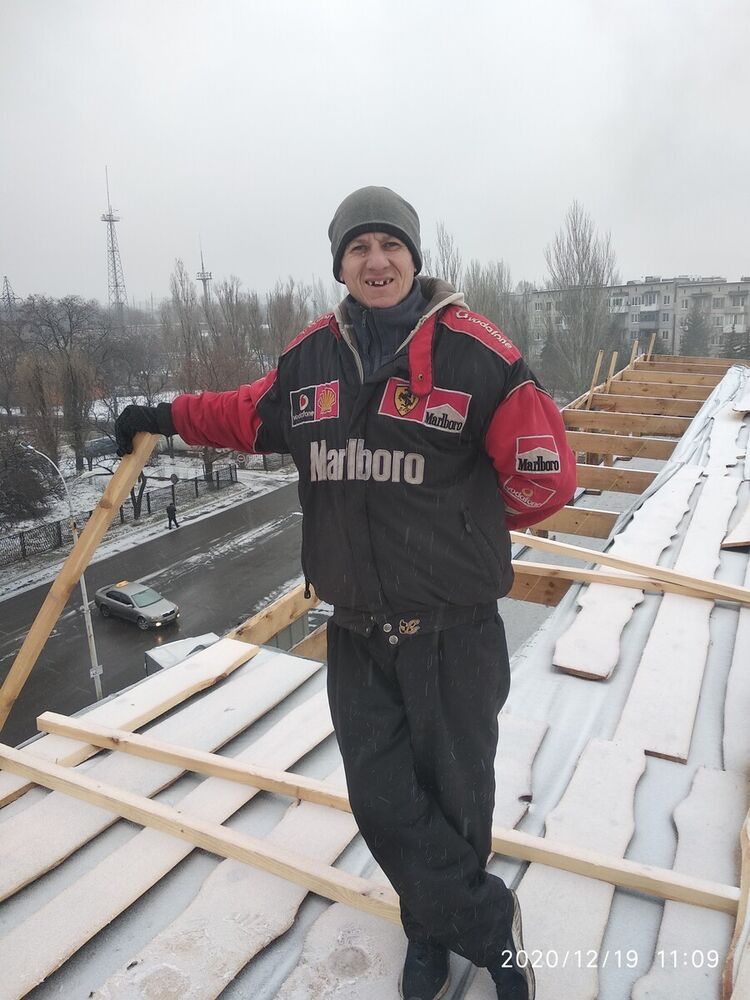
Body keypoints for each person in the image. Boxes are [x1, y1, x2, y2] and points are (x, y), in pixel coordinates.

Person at [115, 186, 576, 1000]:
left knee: (458, 797)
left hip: (454, 629)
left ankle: (430, 933)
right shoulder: (310, 361)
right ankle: (486, 922)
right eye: (358, 247)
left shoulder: (481, 357)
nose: (376, 260)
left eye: (390, 245)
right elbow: (239, 414)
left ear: (414, 258)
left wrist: (462, 527)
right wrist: (162, 413)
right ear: (340, 265)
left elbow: (547, 477)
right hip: (359, 630)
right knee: (382, 799)